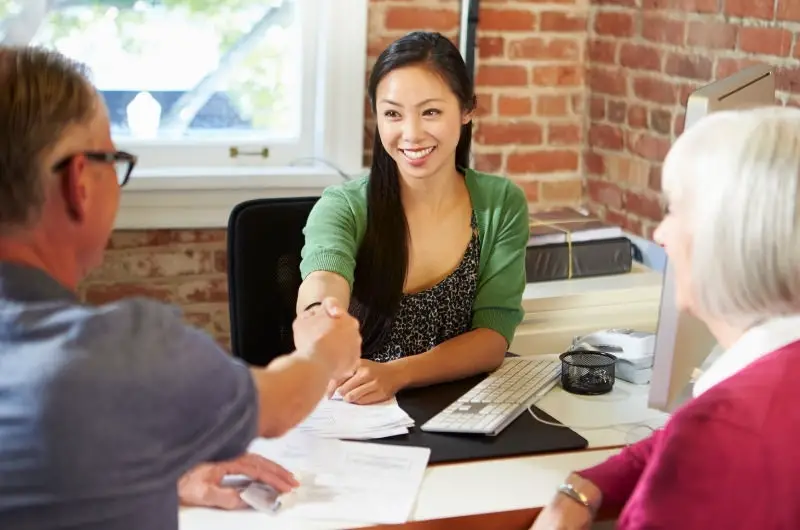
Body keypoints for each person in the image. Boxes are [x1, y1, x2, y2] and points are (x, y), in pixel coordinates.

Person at [0, 46, 361, 529]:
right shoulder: (123, 353)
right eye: (114, 157)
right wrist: (324, 353)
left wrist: (169, 478)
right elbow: (279, 405)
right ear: (79, 183)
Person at [531, 106, 800, 530]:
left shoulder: (724, 430)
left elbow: (708, 437)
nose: (659, 234)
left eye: (674, 210)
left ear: (723, 236)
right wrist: (583, 488)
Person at [297, 31, 529, 405]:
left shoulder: (501, 204)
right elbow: (324, 277)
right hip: (356, 407)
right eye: (392, 113)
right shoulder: (343, 206)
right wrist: (319, 318)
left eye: (431, 112)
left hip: (459, 409)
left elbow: (492, 338)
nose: (411, 133)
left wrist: (399, 373)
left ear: (467, 110)